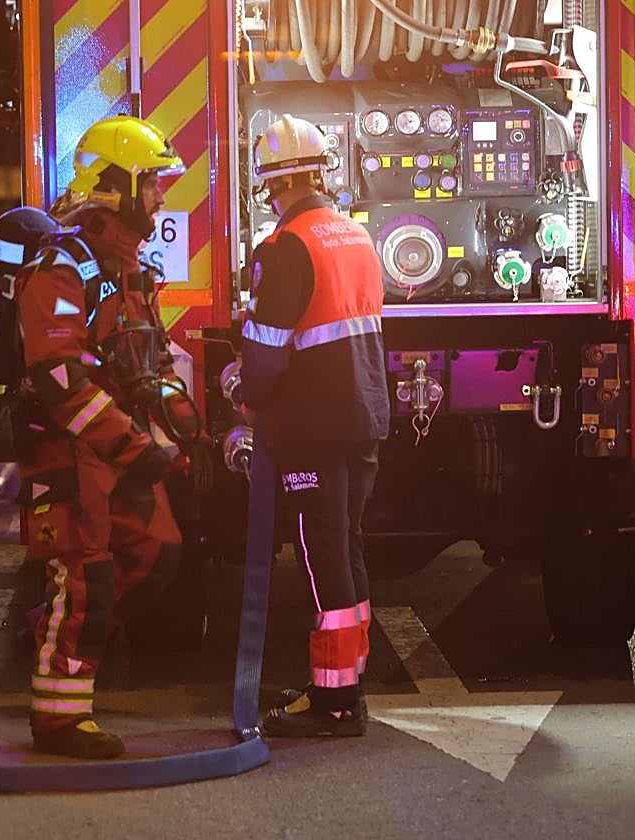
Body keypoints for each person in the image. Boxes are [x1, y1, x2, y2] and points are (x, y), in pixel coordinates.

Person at [13, 115, 202, 759]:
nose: (160, 197)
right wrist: (135, 447)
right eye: (151, 184)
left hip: (114, 453)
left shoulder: (130, 272)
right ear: (116, 184)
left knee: (158, 552)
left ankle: (61, 635)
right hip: (69, 455)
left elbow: (151, 364)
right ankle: (59, 721)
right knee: (86, 581)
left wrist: (184, 430)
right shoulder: (59, 268)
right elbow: (60, 377)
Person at [239, 114, 389, 737]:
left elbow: (267, 350)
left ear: (269, 183)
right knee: (346, 551)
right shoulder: (353, 235)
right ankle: (347, 686)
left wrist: (243, 397)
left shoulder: (283, 248)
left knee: (321, 556)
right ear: (322, 170)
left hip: (312, 429)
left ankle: (333, 704)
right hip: (363, 417)